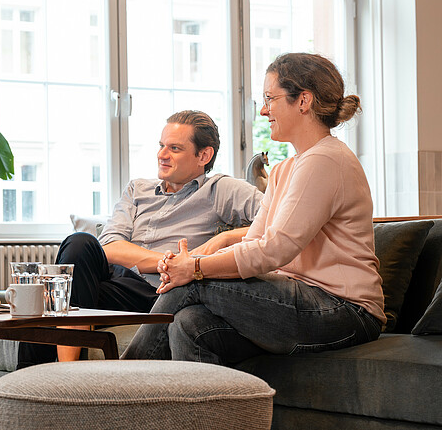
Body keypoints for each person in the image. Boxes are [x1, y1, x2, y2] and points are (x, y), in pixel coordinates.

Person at [123, 52, 385, 365]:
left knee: (192, 285)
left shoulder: (326, 159)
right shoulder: (286, 169)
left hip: (346, 310)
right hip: (303, 298)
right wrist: (190, 261)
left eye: (270, 98)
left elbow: (273, 251)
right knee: (189, 324)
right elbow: (253, 243)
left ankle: (121, 382)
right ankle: (198, 414)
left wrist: (194, 268)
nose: (263, 110)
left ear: (303, 101)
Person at [21, 110, 263, 365]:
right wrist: (167, 260)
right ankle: (24, 396)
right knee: (72, 254)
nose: (162, 155)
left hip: (160, 293)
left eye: (175, 148)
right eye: (161, 146)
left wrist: (224, 240)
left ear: (203, 155)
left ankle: (66, 375)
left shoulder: (220, 189)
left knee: (55, 293)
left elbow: (276, 220)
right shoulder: (138, 189)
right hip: (118, 284)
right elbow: (110, 247)